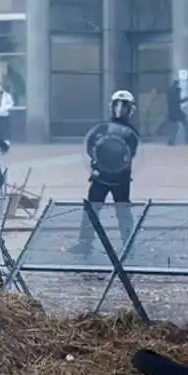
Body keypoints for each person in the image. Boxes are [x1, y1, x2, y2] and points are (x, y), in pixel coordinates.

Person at [68, 90, 138, 257]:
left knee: (118, 210)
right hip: (107, 176)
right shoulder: (112, 130)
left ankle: (126, 244)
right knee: (95, 209)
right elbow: (91, 147)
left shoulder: (125, 132)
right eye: (118, 106)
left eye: (124, 106)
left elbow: (128, 154)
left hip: (115, 176)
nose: (120, 110)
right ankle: (86, 242)